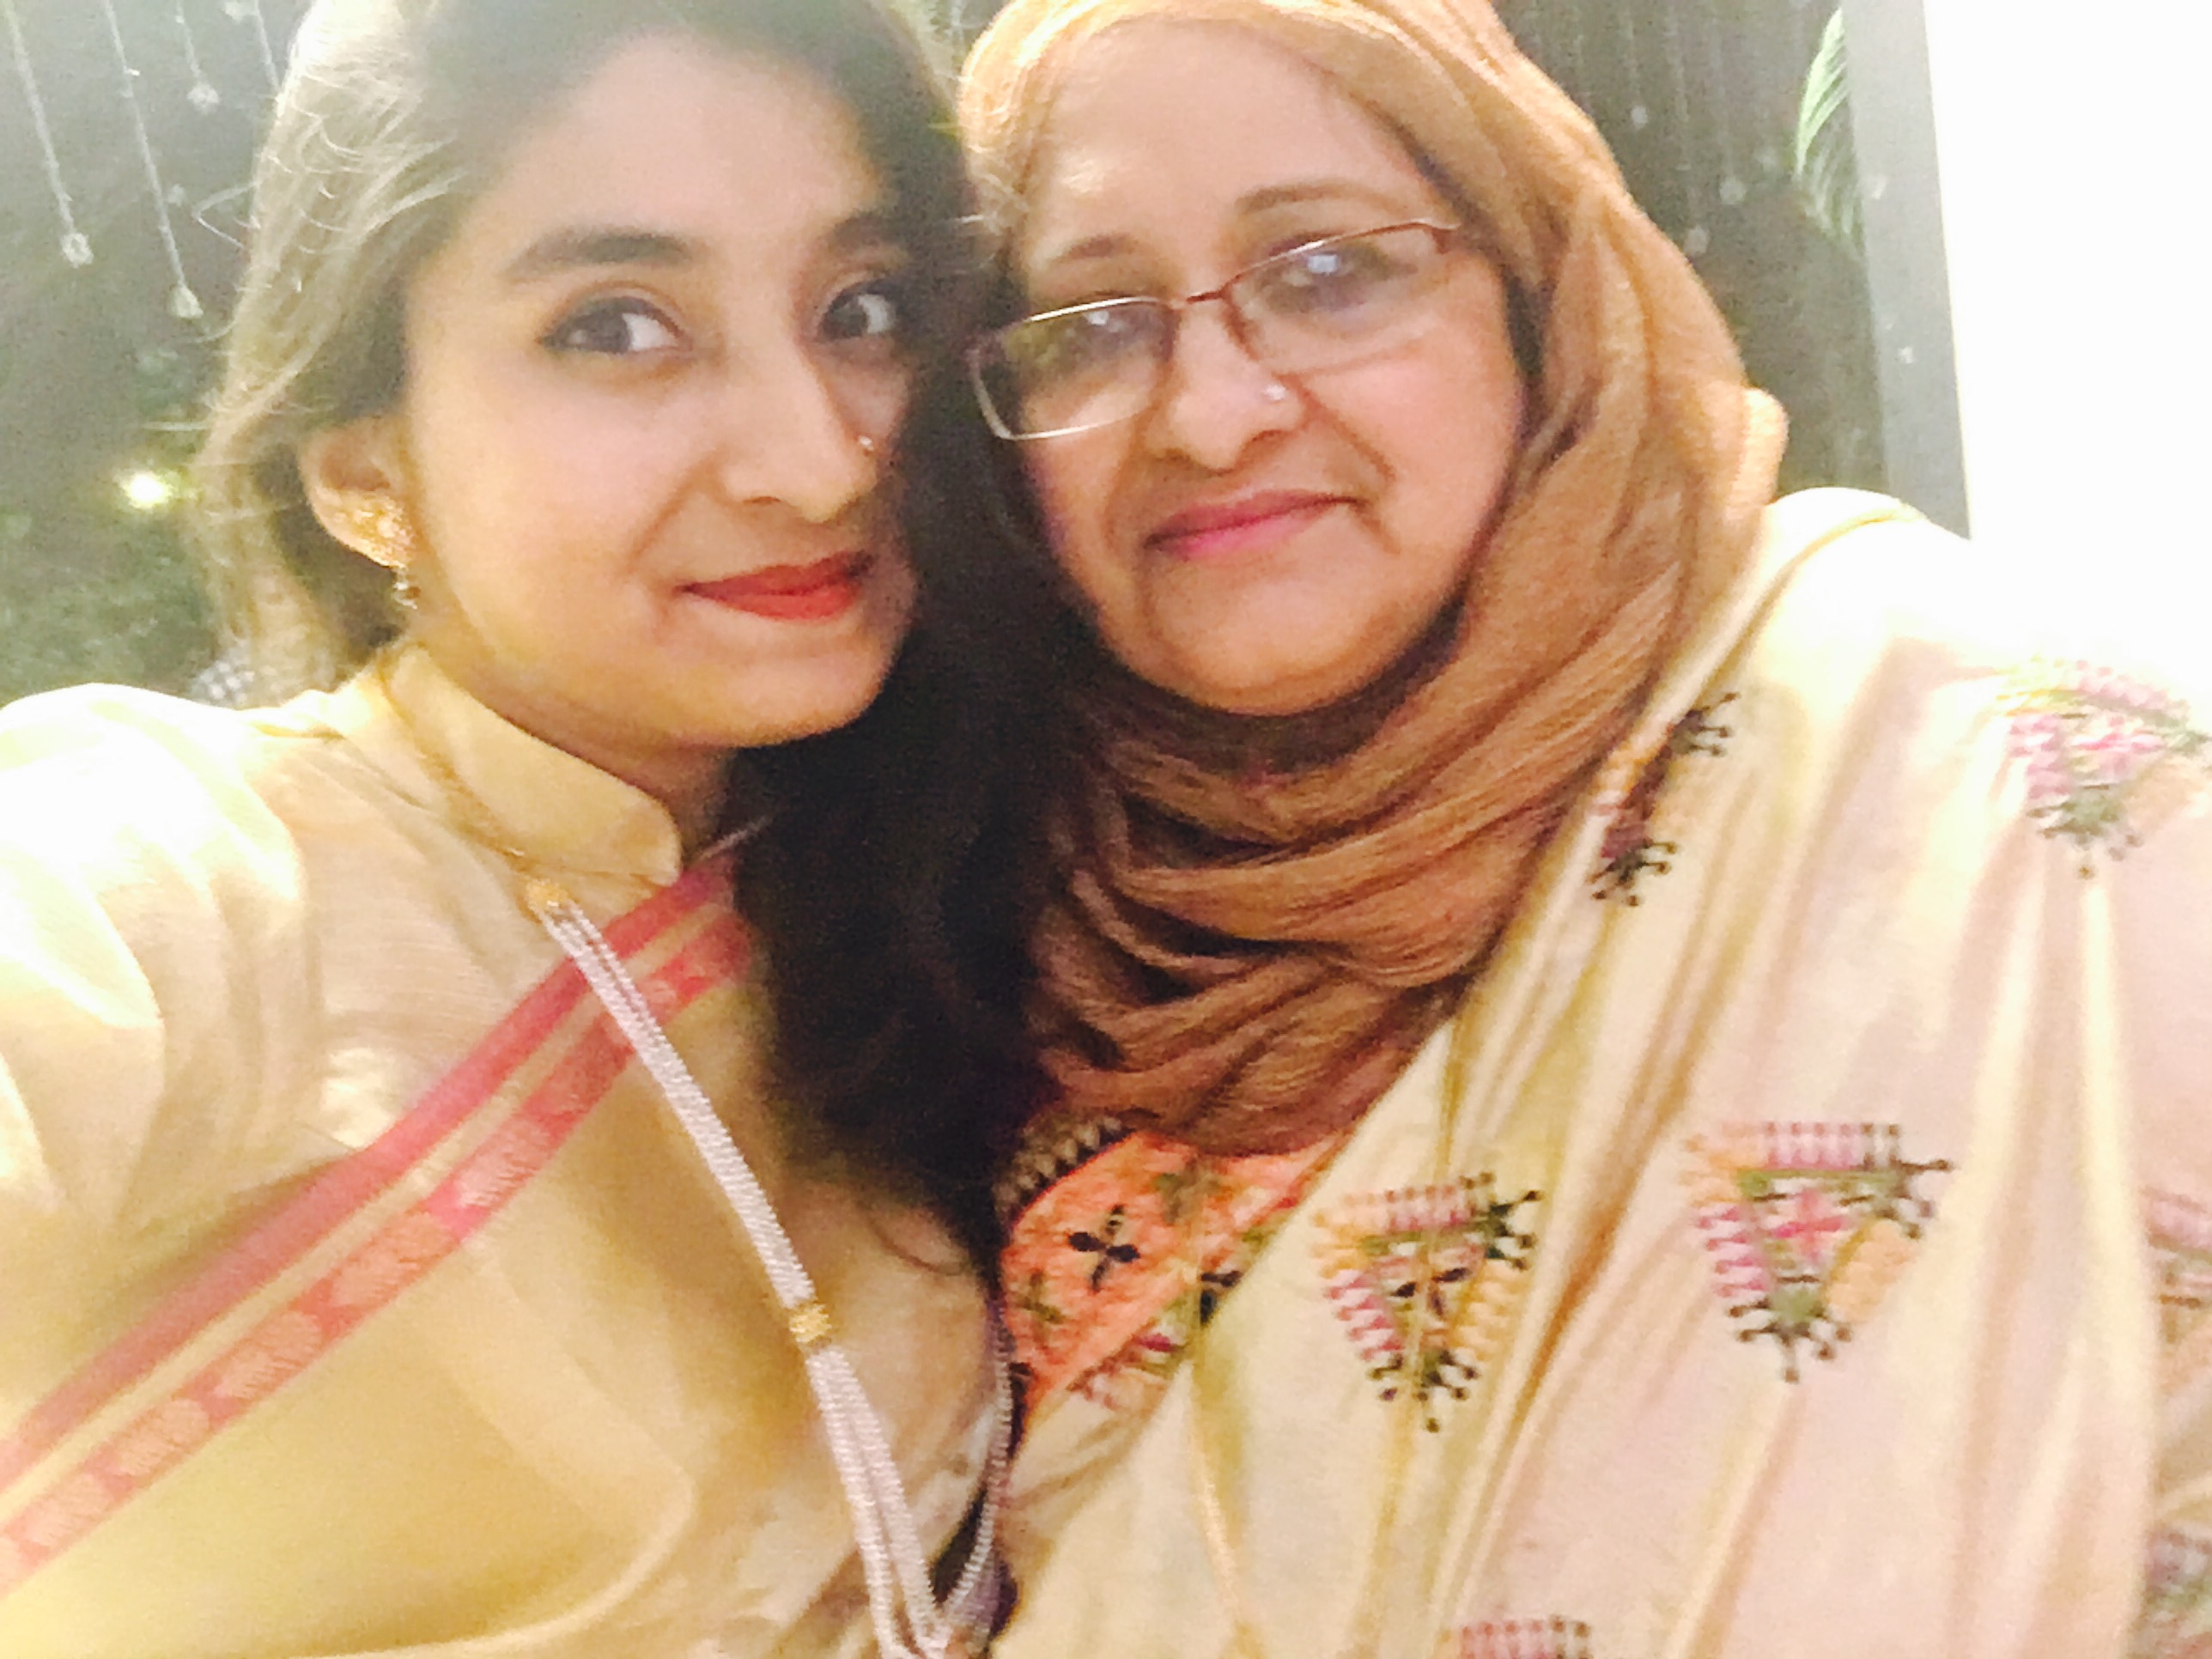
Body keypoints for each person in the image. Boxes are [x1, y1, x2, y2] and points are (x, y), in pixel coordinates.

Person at [951, 0, 2212, 1654]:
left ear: (1541, 303)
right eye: (1090, 326)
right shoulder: (976, 937)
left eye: (1331, 273)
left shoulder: (1972, 769)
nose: (1210, 415)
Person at [0, 0, 1046, 1654]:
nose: (821, 462)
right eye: (617, 327)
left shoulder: (933, 880)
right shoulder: (210, 876)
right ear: (364, 469)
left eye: (865, 310)